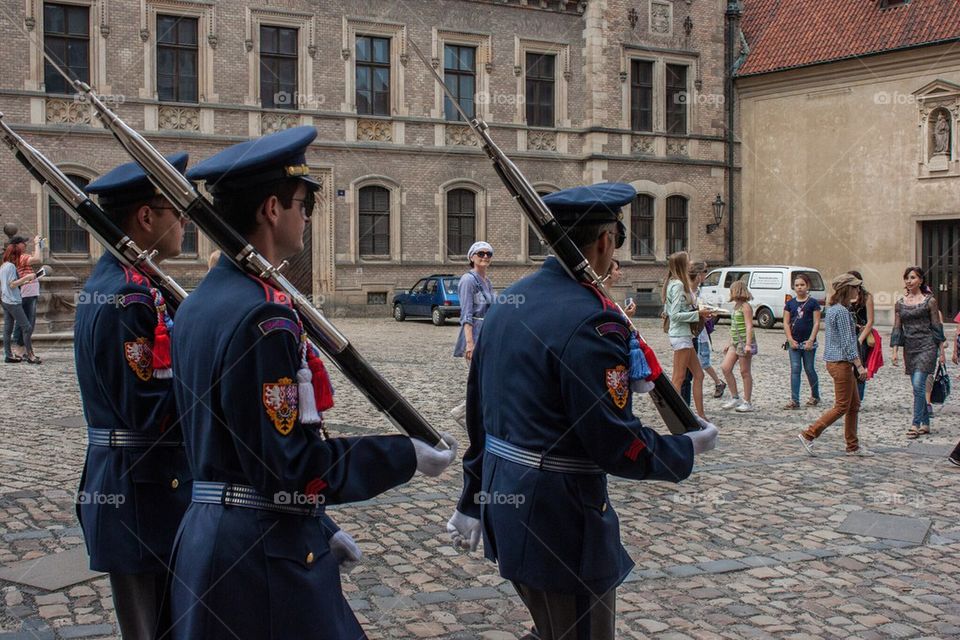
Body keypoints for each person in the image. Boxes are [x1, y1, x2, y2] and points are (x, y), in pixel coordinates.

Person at [171, 126, 457, 639]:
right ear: (271, 209)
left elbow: (243, 450)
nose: (308, 216)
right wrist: (403, 454)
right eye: (303, 203)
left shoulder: (201, 304)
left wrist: (320, 524)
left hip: (215, 537)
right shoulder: (265, 320)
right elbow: (288, 466)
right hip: (261, 553)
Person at [446, 182, 717, 640]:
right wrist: (681, 449)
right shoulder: (595, 320)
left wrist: (474, 497)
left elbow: (480, 414)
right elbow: (613, 441)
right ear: (605, 239)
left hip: (507, 505)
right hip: (561, 520)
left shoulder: (510, 303)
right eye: (614, 242)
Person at [77, 154, 194, 638]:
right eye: (177, 212)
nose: (185, 223)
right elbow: (148, 408)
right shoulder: (129, 298)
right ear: (146, 218)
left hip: (140, 486)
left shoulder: (127, 285)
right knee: (150, 628)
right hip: (139, 491)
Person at [798, 273, 872, 456]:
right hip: (842, 363)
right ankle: (809, 434)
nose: (857, 290)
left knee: (854, 405)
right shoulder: (842, 311)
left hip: (836, 361)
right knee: (842, 406)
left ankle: (852, 446)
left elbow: (841, 336)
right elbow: (848, 343)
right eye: (854, 287)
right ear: (847, 289)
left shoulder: (834, 309)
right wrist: (860, 366)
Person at [891, 266, 944, 438]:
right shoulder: (900, 303)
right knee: (917, 386)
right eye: (907, 278)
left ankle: (915, 423)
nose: (909, 281)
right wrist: (895, 351)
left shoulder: (930, 301)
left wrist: (941, 351)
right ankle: (926, 422)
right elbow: (897, 328)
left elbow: (937, 327)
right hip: (910, 347)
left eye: (913, 277)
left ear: (920, 280)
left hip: (928, 346)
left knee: (918, 384)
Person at [663, 251, 714, 419]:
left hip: (684, 335)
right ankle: (675, 416)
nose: (690, 264)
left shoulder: (676, 283)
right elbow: (675, 315)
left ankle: (700, 415)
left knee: (698, 375)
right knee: (678, 378)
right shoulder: (677, 285)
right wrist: (698, 314)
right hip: (680, 335)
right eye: (687, 262)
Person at [782, 273, 821, 409]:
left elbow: (816, 323)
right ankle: (794, 400)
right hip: (794, 342)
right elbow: (786, 323)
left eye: (802, 285)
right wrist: (790, 339)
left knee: (809, 368)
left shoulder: (813, 303)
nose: (799, 287)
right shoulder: (790, 304)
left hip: (808, 342)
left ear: (807, 286)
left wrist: (811, 339)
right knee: (795, 369)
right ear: (794, 287)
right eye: (797, 285)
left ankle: (815, 395)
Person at [454, 241, 495, 362]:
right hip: (475, 333)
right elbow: (466, 314)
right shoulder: (468, 280)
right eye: (481, 254)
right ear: (472, 257)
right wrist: (470, 344)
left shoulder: (487, 281)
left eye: (489, 254)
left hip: (487, 333)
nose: (485, 257)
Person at [720, 280, 756, 412]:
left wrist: (748, 344)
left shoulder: (746, 307)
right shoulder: (735, 307)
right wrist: (729, 342)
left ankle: (747, 401)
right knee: (725, 367)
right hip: (735, 343)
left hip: (744, 343)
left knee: (744, 371)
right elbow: (734, 326)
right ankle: (735, 397)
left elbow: (749, 326)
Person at [1, 243, 39, 364]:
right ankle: (30, 356)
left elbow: (8, 285)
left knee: (8, 329)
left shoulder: (3, 266)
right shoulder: (11, 266)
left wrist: (25, 281)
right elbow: (12, 284)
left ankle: (8, 355)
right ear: (14, 255)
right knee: (27, 327)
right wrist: (27, 277)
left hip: (5, 300)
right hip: (13, 301)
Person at [9, 235, 41, 358]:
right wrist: (37, 243)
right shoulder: (21, 257)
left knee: (24, 321)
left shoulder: (18, 258)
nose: (25, 245)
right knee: (27, 322)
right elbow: (38, 259)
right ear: (17, 245)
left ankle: (21, 349)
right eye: (23, 243)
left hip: (29, 292)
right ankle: (20, 349)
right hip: (27, 293)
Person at [848, 270, 876, 401]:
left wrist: (860, 339)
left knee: (859, 366)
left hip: (862, 334)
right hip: (848, 333)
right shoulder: (845, 297)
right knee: (847, 366)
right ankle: (848, 395)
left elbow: (870, 321)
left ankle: (858, 398)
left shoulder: (866, 297)